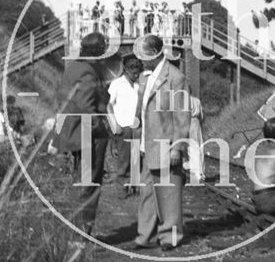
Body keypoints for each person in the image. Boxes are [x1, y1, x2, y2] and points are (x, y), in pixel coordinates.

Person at [133, 35, 191, 250]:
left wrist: (178, 146)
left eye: (142, 55)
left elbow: (182, 115)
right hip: (147, 144)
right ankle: (145, 236)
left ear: (154, 54)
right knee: (147, 194)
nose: (139, 60)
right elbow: (141, 109)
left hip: (166, 144)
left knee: (169, 194)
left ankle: (170, 237)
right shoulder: (144, 77)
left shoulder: (176, 78)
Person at [53, 32, 110, 237]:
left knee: (81, 181)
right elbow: (86, 107)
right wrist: (100, 128)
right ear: (99, 50)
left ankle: (76, 232)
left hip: (75, 132)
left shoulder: (74, 67)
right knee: (90, 183)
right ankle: (81, 235)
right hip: (88, 135)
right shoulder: (88, 72)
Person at [107, 55, 143, 199]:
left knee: (137, 160)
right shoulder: (116, 84)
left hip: (137, 128)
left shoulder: (139, 85)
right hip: (123, 127)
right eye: (133, 71)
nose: (136, 74)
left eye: (138, 71)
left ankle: (135, 188)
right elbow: (108, 105)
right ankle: (122, 190)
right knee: (124, 161)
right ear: (126, 70)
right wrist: (114, 125)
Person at [183, 93, 205, 182]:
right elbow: (202, 116)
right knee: (199, 147)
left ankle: (194, 171)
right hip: (196, 122)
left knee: (189, 147)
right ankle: (200, 172)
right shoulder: (197, 100)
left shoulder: (183, 101)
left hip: (187, 122)